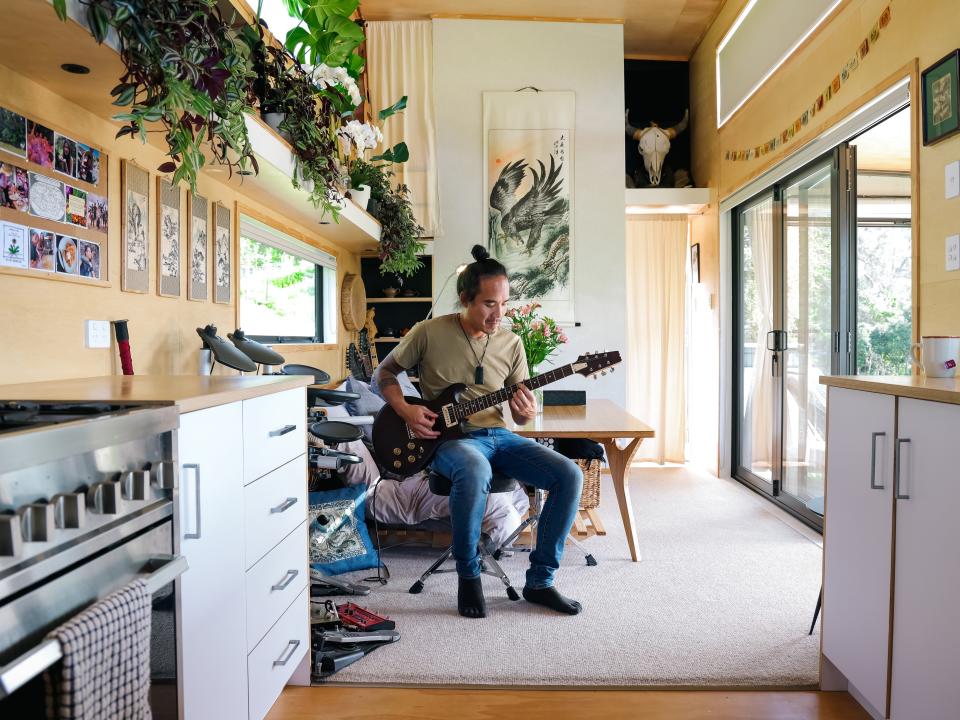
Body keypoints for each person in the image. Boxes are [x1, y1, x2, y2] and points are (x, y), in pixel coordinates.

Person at [373, 244, 583, 619]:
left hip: (498, 436)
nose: (499, 313)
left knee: (569, 474)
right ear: (465, 298)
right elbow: (383, 374)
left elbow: (519, 415)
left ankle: (540, 582)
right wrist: (406, 409)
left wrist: (525, 411)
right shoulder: (428, 332)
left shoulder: (512, 343)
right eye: (489, 304)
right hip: (450, 441)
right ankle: (468, 574)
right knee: (474, 469)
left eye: (504, 303)